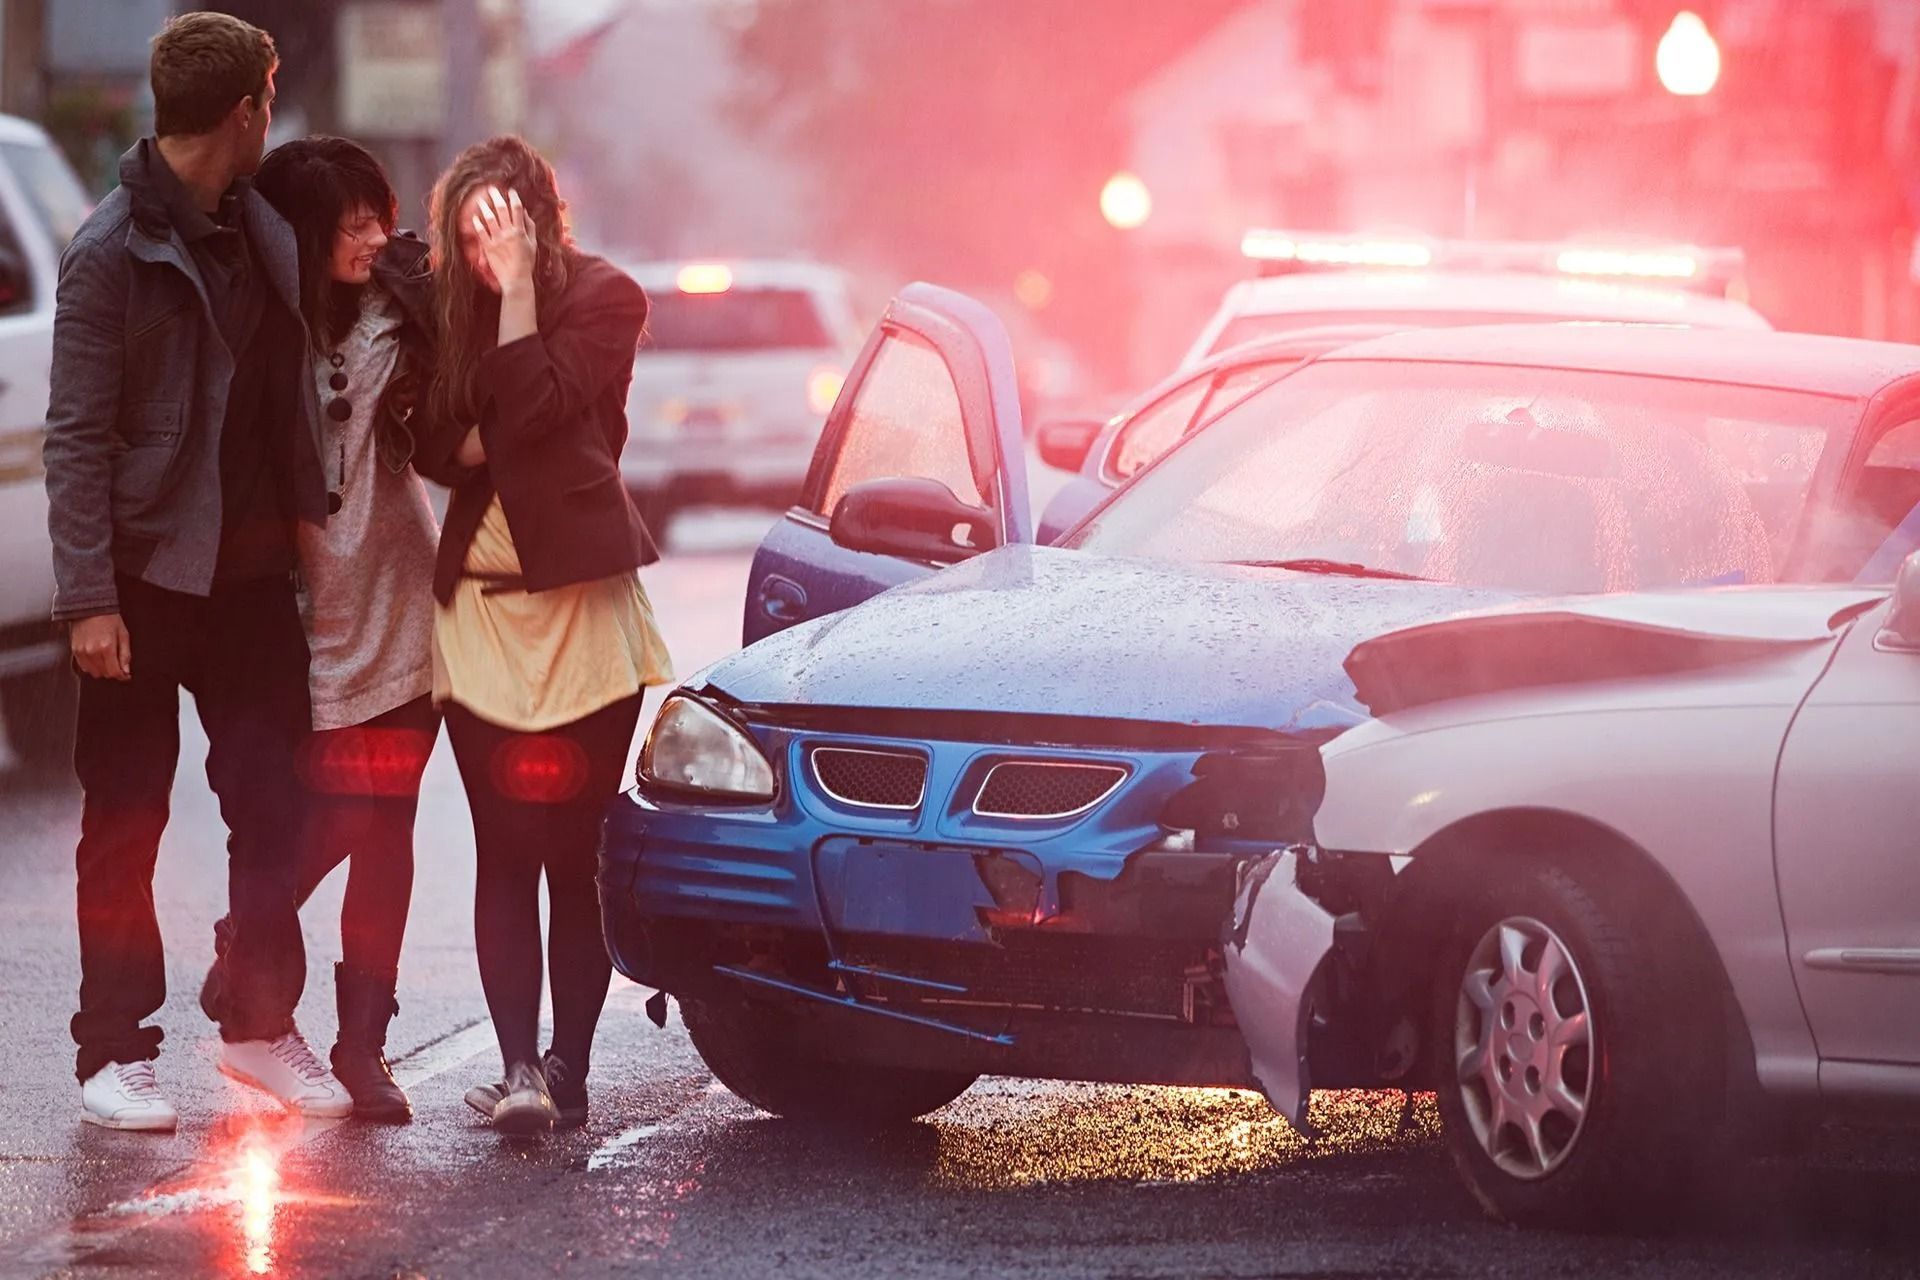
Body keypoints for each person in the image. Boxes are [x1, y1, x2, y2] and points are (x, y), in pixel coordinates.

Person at [43, 12, 349, 1130]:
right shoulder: (112, 250)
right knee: (124, 819)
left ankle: (261, 1027)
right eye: (270, 98)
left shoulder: (260, 225)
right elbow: (74, 435)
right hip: (142, 577)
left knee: (277, 800)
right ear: (245, 111)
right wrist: (86, 599)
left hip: (254, 575)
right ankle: (111, 1050)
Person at [421, 136, 670, 1137]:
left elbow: (524, 406)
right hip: (477, 613)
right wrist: (492, 417)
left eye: (503, 227)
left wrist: (519, 301)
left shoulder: (608, 297)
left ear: (539, 217)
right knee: (502, 848)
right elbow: (433, 440)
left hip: (584, 610)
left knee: (576, 851)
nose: (486, 252)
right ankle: (518, 1067)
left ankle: (567, 1070)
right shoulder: (445, 313)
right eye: (470, 232)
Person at [213, 136, 442, 1122]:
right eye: (347, 219)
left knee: (386, 824)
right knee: (318, 820)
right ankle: (249, 947)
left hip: (400, 610)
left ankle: (363, 1042)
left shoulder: (402, 313)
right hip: (301, 621)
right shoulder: (261, 329)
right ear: (303, 233)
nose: (370, 232)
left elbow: (455, 337)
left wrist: (417, 277)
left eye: (376, 213)